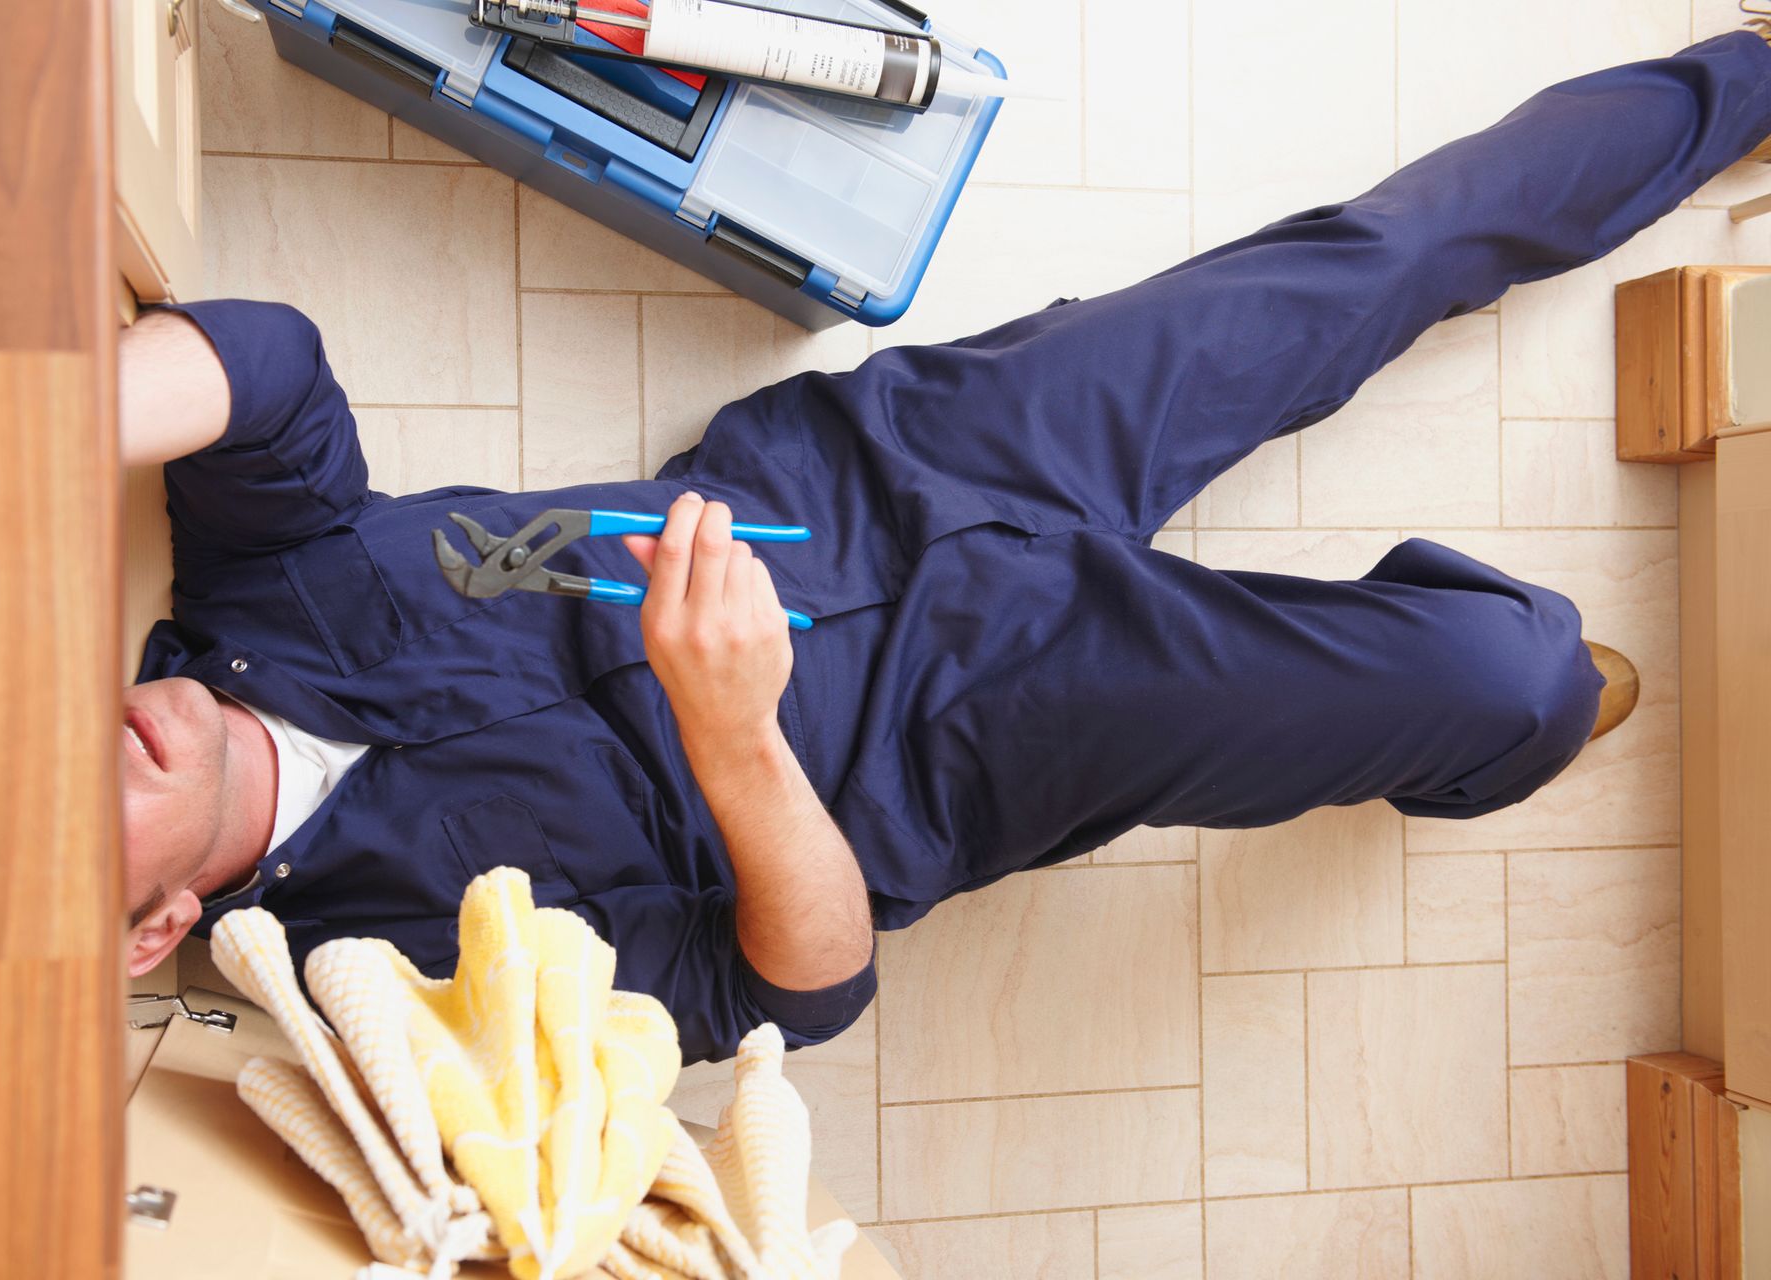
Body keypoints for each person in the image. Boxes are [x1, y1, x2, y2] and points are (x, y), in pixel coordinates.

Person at [122, 30, 1771, 1064]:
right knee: (1515, 674)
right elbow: (799, 997)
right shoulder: (385, 974)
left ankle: (1746, 77)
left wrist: (66, 416)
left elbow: (266, 375)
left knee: (1372, 261)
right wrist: (737, 741)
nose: (89, 736)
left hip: (903, 464)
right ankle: (1492, 709)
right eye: (68, 804)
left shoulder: (257, 605)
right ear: (150, 931)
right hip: (979, 726)